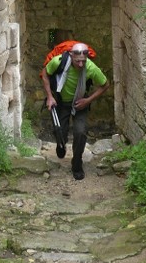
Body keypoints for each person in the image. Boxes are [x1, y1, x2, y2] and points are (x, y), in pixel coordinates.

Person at [42, 43, 109, 180]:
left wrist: (88, 101)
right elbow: (44, 74)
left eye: (83, 61)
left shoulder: (90, 68)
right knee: (59, 130)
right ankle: (61, 144)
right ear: (71, 55)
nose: (80, 64)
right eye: (77, 61)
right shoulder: (58, 61)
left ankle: (77, 163)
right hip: (61, 101)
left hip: (80, 103)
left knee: (80, 132)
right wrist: (50, 96)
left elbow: (105, 85)